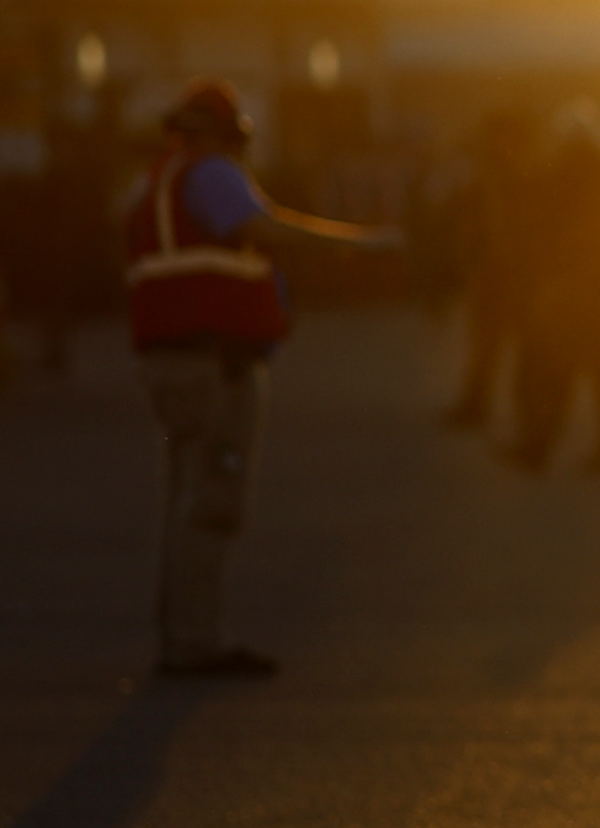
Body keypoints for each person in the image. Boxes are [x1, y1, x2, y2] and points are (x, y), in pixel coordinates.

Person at [121, 77, 400, 677]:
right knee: (211, 503)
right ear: (231, 134)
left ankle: (182, 635)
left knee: (185, 502)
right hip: (214, 364)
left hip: (176, 360)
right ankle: (195, 644)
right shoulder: (212, 173)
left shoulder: (157, 181)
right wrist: (358, 244)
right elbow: (263, 228)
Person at [508, 104, 600, 475]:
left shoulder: (573, 177)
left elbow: (564, 238)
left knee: (562, 373)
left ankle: (539, 449)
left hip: (581, 291)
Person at [440, 104, 540, 433]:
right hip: (496, 270)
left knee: (505, 344)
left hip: (503, 271)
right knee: (490, 344)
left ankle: (500, 407)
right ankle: (485, 405)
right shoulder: (506, 170)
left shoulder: (507, 172)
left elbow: (499, 225)